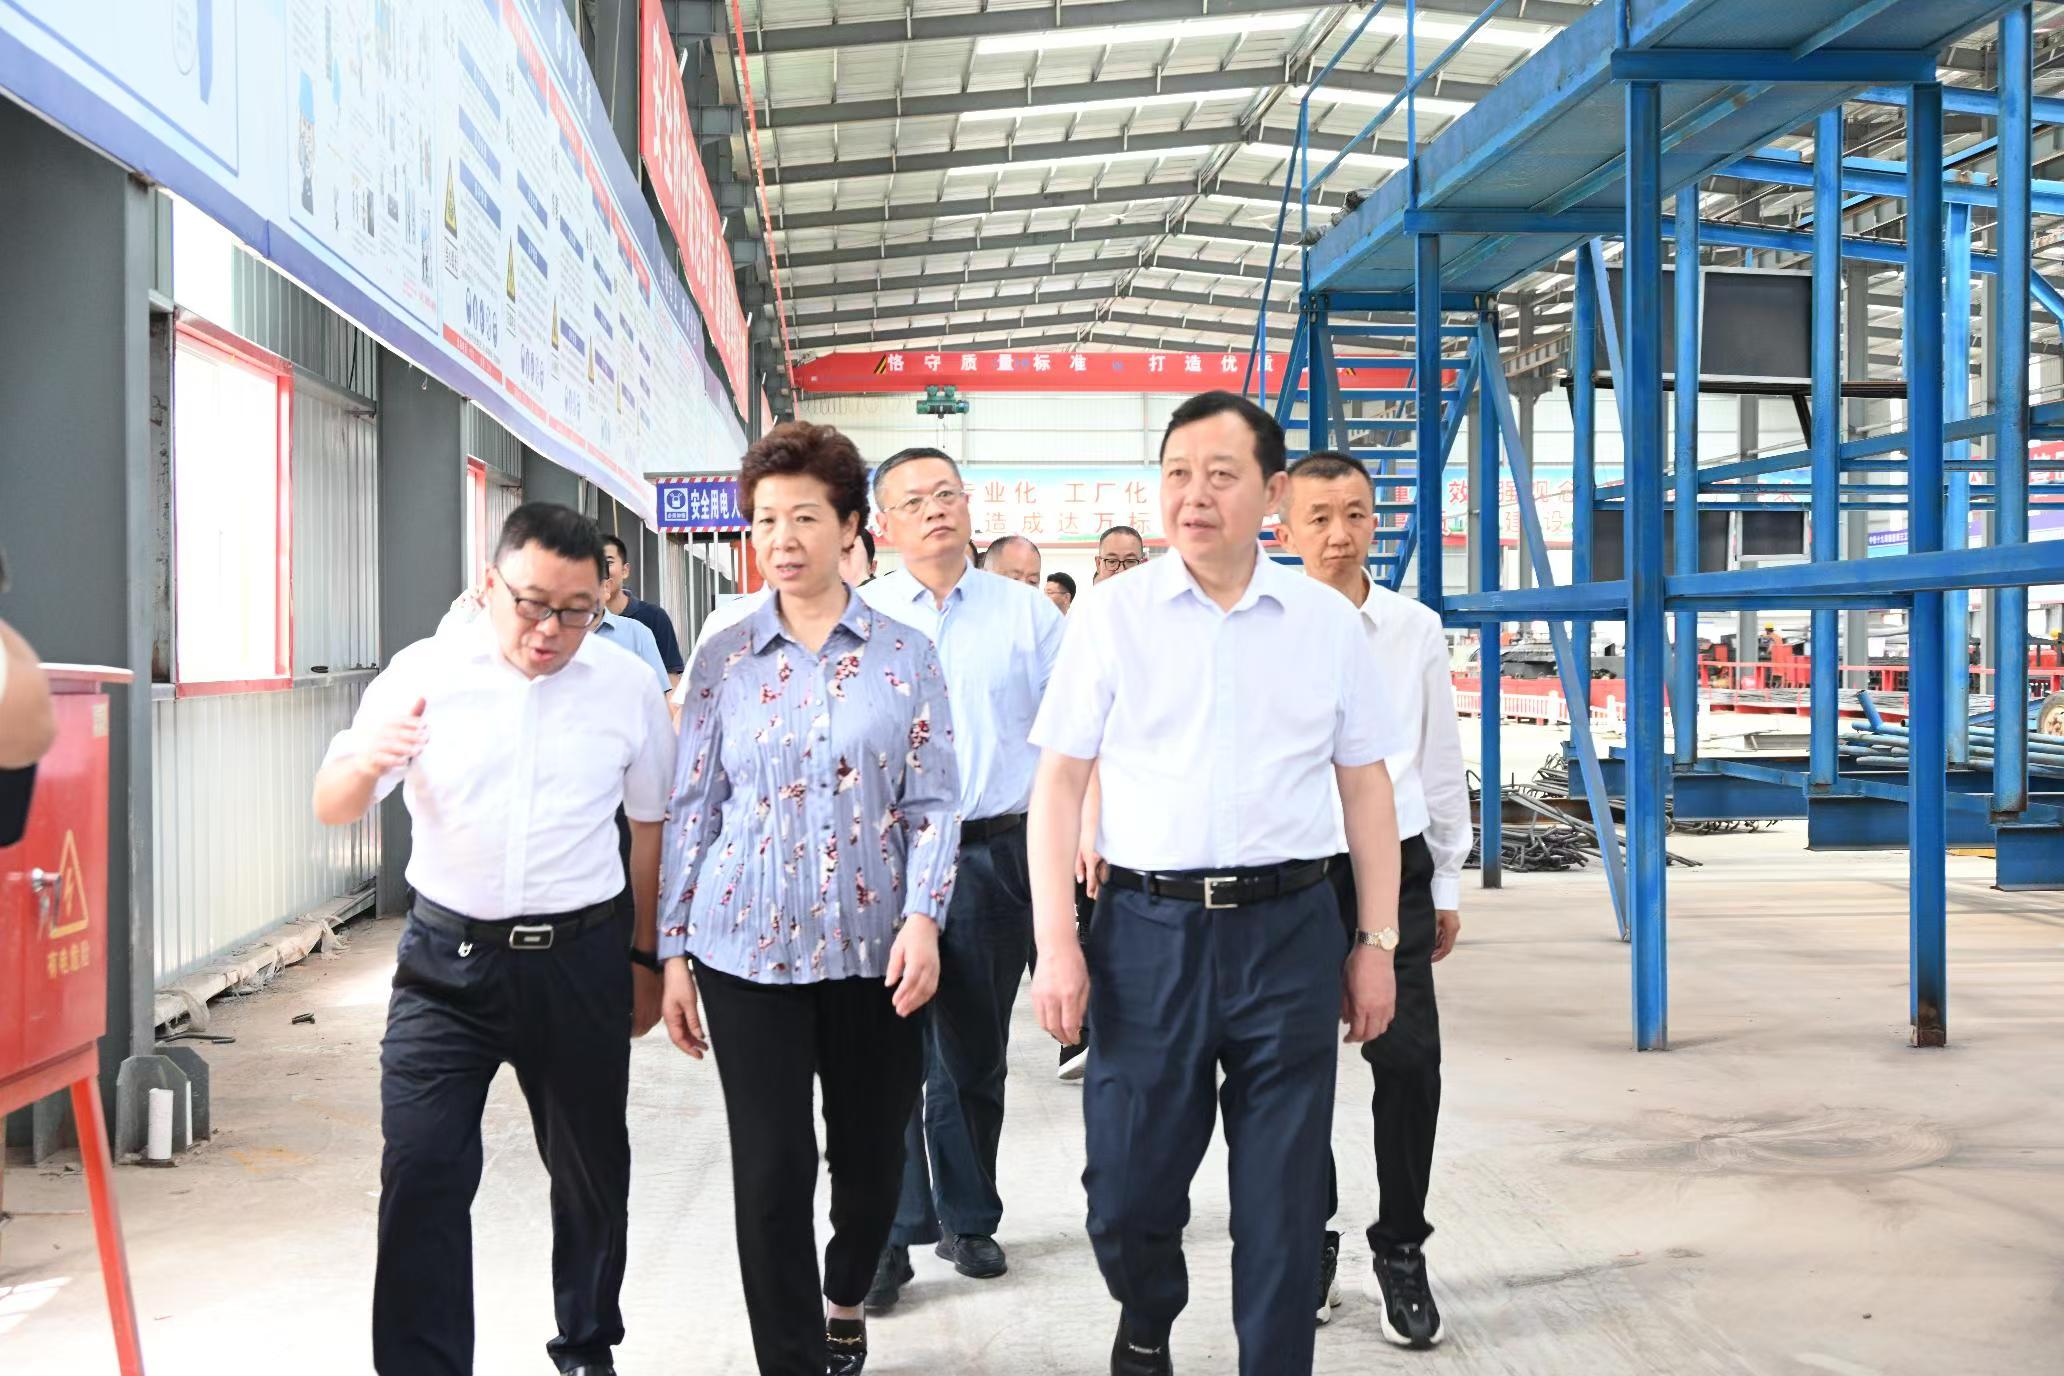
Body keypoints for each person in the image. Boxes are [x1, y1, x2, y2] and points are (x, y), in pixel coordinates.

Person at [1026, 391, 1405, 1376]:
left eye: (1221, 475)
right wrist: (1058, 942)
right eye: (1177, 474)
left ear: (1271, 493)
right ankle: (1147, 1310)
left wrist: (1375, 943)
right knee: (1126, 1188)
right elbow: (1058, 784)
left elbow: (1366, 789)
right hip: (1147, 932)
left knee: (1283, 1200)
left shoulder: (1324, 623)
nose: (1194, 495)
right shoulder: (1112, 616)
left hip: (1290, 932)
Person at [314, 503, 676, 1376]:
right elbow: (332, 802)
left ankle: (587, 1344)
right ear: (489, 586)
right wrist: (366, 761)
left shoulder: (625, 686)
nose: (550, 630)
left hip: (582, 962)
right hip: (447, 966)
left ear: (604, 601)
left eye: (577, 611)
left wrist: (645, 957)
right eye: (532, 604)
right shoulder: (424, 673)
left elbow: (651, 827)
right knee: (422, 1169)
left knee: (592, 1174)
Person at [656, 423, 961, 1376]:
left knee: (871, 1166)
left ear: (850, 527)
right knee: (771, 1170)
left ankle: (845, 1292)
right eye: (764, 520)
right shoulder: (724, 659)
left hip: (876, 951)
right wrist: (672, 951)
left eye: (803, 517)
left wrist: (924, 918)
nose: (781, 539)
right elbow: (694, 806)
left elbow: (935, 802)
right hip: (744, 949)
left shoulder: (906, 656)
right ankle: (789, 1359)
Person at [858, 446, 1065, 1308]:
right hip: (881, 863)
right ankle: (889, 1233)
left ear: (968, 506)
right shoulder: (859, 615)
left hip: (991, 856)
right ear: (883, 524)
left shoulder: (1028, 615)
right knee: (883, 1054)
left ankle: (969, 1218)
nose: (935, 509)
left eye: (947, 493)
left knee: (972, 1055)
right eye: (914, 500)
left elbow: (1070, 742)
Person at [1278, 452, 1469, 1348]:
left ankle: (1400, 1247)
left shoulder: (1412, 627)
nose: (1338, 534)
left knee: (1409, 1061)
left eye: (1354, 514)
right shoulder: (1264, 624)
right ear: (1285, 527)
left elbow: (1437, 755)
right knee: (1293, 1068)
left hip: (1394, 864)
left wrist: (1450, 874)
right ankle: (1308, 1237)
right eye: (1318, 517)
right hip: (1292, 867)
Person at [601, 534, 685, 687]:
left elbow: (670, 682)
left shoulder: (653, 619)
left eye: (608, 562)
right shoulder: (578, 624)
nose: (602, 570)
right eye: (595, 562)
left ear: (625, 570)